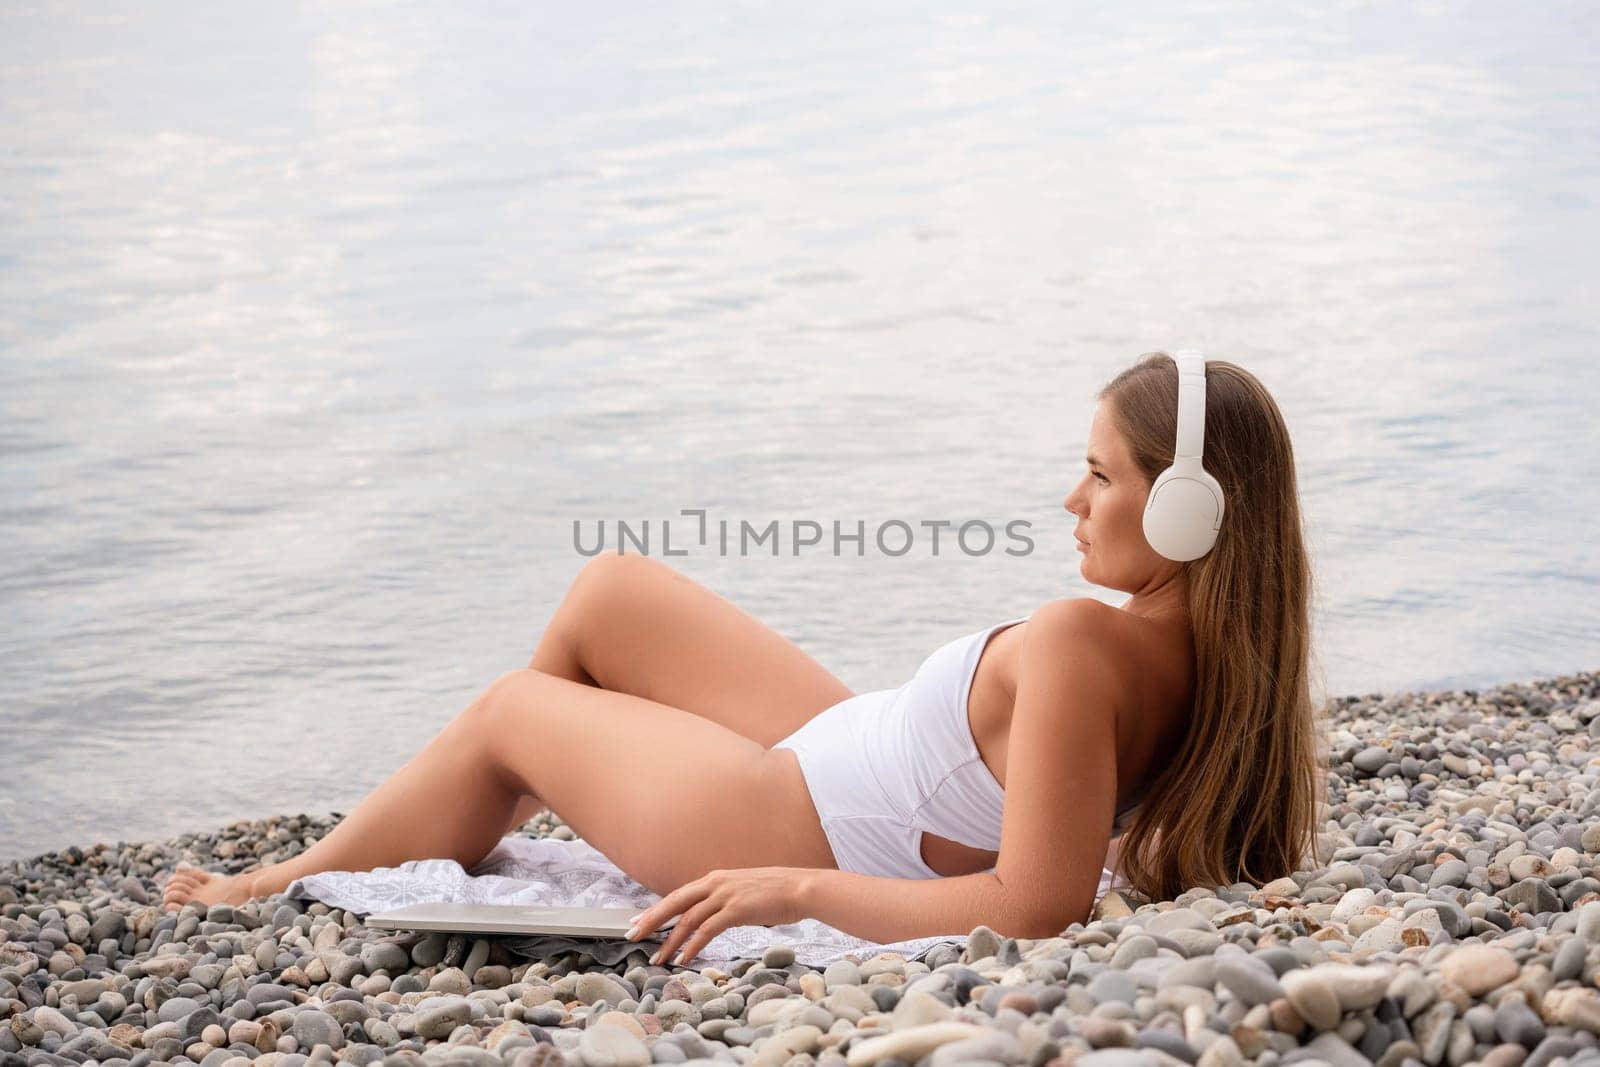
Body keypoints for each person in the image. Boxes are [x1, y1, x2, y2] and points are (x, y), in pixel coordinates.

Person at [162, 351, 1323, 968]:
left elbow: (1034, 904)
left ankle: (301, 870)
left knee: (517, 705)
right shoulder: (1226, 660)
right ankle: (525, 808)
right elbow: (1068, 830)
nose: (1071, 497)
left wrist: (791, 890)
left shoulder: (1080, 639)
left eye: (1102, 474)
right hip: (851, 752)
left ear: (1180, 511)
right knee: (610, 585)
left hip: (798, 822)